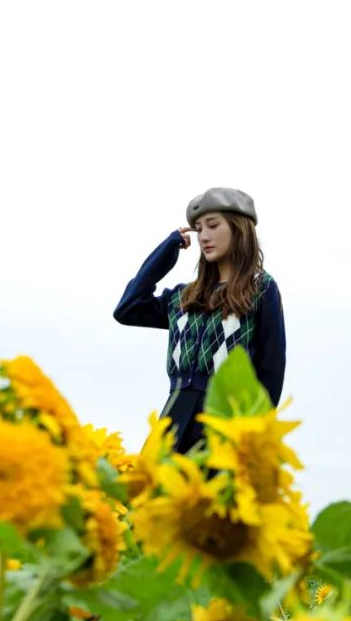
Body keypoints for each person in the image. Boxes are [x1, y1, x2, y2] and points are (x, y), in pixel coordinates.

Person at [113, 187, 286, 453]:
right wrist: (168, 249)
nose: (204, 236)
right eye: (198, 229)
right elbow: (128, 308)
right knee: (148, 491)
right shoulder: (185, 297)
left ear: (239, 229)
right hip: (171, 421)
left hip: (225, 423)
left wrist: (256, 438)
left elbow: (271, 369)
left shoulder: (260, 288)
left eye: (213, 225)